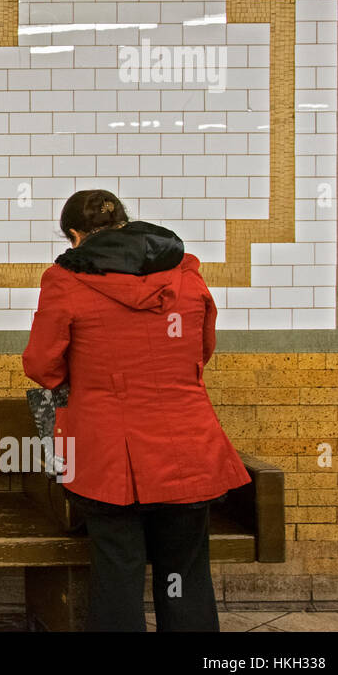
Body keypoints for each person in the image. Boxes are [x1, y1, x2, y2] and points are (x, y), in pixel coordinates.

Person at [21, 189, 250, 631]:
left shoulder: (65, 279)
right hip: (188, 445)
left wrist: (90, 378)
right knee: (184, 572)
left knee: (117, 571)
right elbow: (201, 350)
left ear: (74, 235)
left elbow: (42, 366)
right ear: (124, 223)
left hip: (109, 456)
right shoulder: (184, 271)